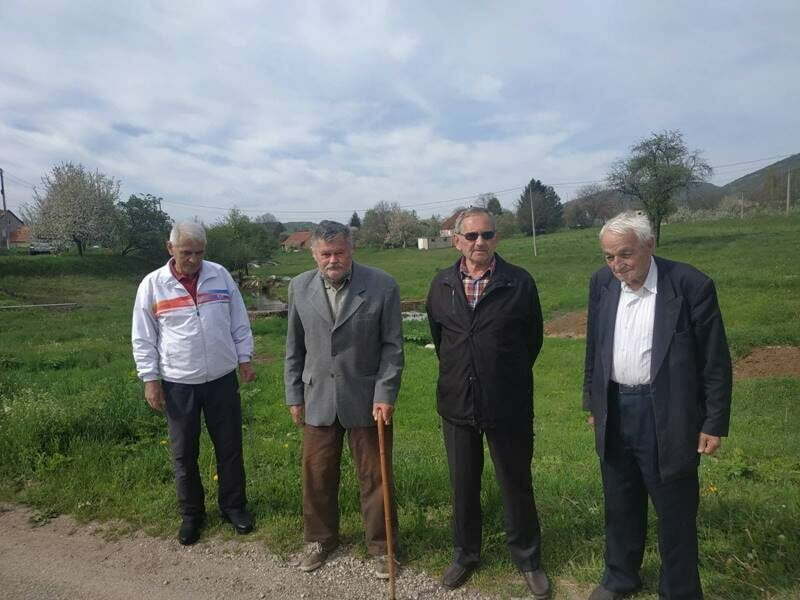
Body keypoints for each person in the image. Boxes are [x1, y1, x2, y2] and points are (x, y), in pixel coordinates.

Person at [583, 211, 732, 600]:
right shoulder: (602, 283)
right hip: (615, 406)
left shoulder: (689, 285)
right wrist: (593, 402)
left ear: (649, 245)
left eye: (625, 254)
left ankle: (679, 591)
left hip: (668, 413)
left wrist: (713, 422)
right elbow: (594, 349)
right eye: (609, 257)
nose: (617, 265)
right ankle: (620, 577)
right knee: (620, 501)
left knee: (675, 511)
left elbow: (715, 360)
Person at [426, 207, 550, 599]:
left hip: (507, 403)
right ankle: (465, 554)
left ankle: (527, 558)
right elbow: (441, 339)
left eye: (487, 234)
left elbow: (532, 340)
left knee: (515, 483)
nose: (480, 242)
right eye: (472, 235)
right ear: (456, 241)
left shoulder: (518, 282)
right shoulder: (441, 284)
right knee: (463, 484)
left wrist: (500, 373)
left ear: (497, 238)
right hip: (457, 403)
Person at [284, 220, 404, 579]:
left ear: (351, 250)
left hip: (367, 397)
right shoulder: (298, 287)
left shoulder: (382, 285)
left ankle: (383, 547)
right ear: (314, 254)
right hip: (317, 395)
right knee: (317, 474)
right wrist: (294, 395)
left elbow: (392, 347)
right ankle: (320, 540)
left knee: (375, 475)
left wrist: (385, 393)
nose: (332, 260)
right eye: (325, 254)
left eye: (339, 252)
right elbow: (294, 347)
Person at [132, 221, 256, 545]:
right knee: (184, 452)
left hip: (221, 378)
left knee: (229, 447)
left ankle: (234, 507)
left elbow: (239, 320)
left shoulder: (220, 276)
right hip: (178, 382)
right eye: (186, 252)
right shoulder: (152, 285)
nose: (193, 259)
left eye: (199, 252)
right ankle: (191, 514)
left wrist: (244, 358)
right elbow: (143, 337)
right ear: (170, 248)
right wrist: (150, 379)